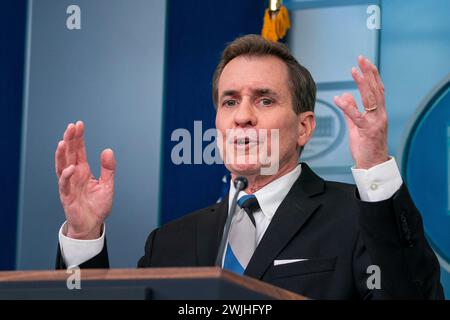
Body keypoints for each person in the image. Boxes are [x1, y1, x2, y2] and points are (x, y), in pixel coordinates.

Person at [54, 35, 444, 299]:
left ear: (305, 127)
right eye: (229, 102)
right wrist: (84, 235)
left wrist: (375, 167)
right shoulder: (168, 243)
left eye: (264, 100)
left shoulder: (358, 217)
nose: (242, 116)